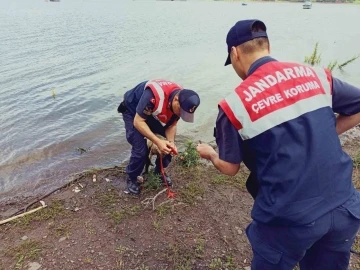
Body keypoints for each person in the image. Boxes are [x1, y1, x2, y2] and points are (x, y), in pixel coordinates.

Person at [197, 19, 360, 269]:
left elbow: (230, 167)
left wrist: (209, 153)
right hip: (344, 206)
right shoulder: (317, 75)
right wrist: (326, 130)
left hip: (289, 219)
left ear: (235, 53)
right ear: (267, 46)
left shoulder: (234, 106)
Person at [118, 79, 200, 195]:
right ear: (176, 99)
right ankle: (132, 177)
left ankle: (159, 172)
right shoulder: (153, 95)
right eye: (180, 111)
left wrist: (170, 142)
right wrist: (157, 141)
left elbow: (172, 125)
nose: (181, 115)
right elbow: (138, 122)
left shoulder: (183, 101)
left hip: (149, 113)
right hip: (132, 111)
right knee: (140, 149)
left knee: (168, 147)